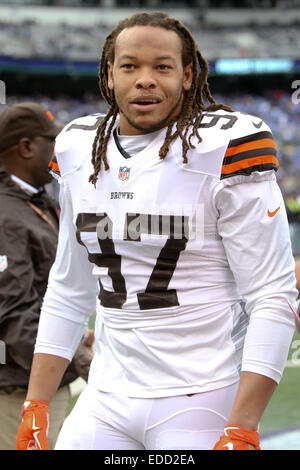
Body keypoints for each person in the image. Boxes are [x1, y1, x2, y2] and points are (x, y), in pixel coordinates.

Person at [16, 12, 298, 451]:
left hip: (200, 395)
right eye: (130, 66)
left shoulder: (225, 147)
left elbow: (273, 294)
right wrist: (36, 403)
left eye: (162, 67)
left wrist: (242, 426)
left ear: (188, 75)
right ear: (109, 75)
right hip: (105, 395)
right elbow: (69, 288)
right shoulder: (77, 147)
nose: (145, 79)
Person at [0, 102, 94, 450]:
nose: (60, 151)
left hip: (34, 380)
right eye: (51, 141)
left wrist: (75, 338)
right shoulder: (6, 212)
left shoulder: (30, 201)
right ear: (26, 147)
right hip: (16, 389)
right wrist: (74, 355)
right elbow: (10, 313)